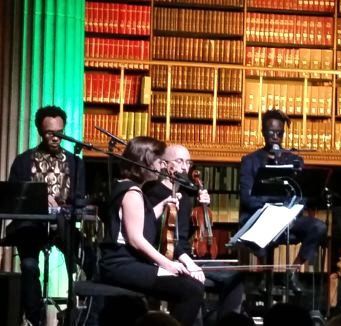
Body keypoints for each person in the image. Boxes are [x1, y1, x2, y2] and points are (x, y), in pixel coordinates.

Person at [99, 136, 204, 326]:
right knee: (192, 290)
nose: (162, 166)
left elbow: (140, 220)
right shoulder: (132, 193)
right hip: (122, 265)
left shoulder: (129, 187)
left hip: (124, 263)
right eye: (158, 161)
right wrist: (167, 264)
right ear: (145, 161)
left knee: (192, 286)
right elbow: (135, 239)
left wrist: (162, 205)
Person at [6, 105, 92, 326]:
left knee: (90, 260)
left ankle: (80, 314)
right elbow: (14, 199)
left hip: (63, 223)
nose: (55, 138)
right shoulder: (24, 161)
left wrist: (64, 207)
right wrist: (39, 201)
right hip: (31, 225)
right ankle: (35, 318)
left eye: (59, 132)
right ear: (40, 132)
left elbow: (80, 199)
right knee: (28, 266)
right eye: (49, 133)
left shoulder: (76, 163)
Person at [143, 144, 245, 321]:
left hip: (186, 255)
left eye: (188, 162)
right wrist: (189, 264)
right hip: (167, 258)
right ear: (166, 164)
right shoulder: (154, 193)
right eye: (179, 161)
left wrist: (201, 208)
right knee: (194, 285)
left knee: (235, 277)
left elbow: (184, 234)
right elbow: (163, 237)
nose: (185, 167)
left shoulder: (187, 195)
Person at [239, 109, 327, 292]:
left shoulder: (294, 160)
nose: (275, 136)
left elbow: (301, 195)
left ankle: (292, 272)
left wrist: (290, 212)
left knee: (318, 227)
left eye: (279, 132)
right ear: (263, 131)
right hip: (262, 215)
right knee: (251, 228)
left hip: (288, 217)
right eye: (271, 132)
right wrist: (268, 212)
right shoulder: (250, 161)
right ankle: (264, 274)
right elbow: (247, 196)